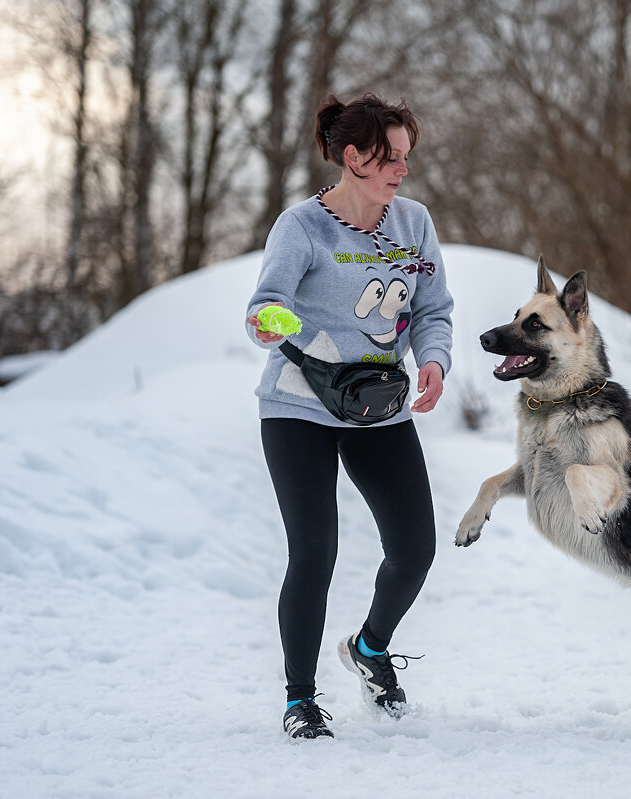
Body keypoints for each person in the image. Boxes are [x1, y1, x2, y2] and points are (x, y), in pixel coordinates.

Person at [244, 92, 453, 740]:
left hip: (379, 410)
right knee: (315, 551)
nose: (402, 170)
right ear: (355, 157)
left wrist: (435, 360)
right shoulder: (302, 227)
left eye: (407, 158)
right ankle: (299, 699)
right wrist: (273, 322)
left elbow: (432, 309)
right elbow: (264, 307)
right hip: (300, 407)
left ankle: (369, 647)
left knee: (415, 549)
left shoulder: (413, 224)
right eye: (391, 158)